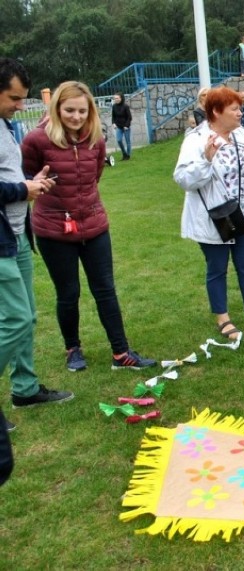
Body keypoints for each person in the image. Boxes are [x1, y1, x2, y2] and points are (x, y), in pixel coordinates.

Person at [21, 81, 156, 371]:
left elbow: (94, 177)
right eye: (69, 110)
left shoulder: (95, 138)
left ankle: (121, 353)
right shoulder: (36, 140)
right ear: (57, 108)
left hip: (94, 226)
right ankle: (73, 349)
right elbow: (28, 178)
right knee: (68, 293)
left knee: (105, 288)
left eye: (82, 111)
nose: (76, 117)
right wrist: (39, 186)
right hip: (54, 230)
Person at [174, 87, 244, 343]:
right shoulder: (196, 140)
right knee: (217, 268)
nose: (240, 112)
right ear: (216, 111)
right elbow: (183, 179)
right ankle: (222, 318)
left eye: (240, 107)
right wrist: (206, 160)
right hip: (216, 218)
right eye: (234, 109)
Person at [0, 58, 73, 417]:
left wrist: (34, 180)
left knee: (27, 316)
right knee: (15, 318)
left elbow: (11, 177)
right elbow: (9, 186)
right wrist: (20, 188)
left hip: (16, 236)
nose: (20, 105)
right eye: (14, 98)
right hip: (0, 243)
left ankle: (25, 389)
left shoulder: (5, 126)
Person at [111, 92, 132, 161]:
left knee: (127, 142)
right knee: (119, 140)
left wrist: (126, 125)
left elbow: (129, 117)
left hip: (126, 127)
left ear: (121, 98)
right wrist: (113, 123)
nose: (116, 99)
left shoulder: (125, 106)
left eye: (117, 98)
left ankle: (128, 155)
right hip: (119, 127)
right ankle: (124, 154)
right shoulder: (114, 106)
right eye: (115, 98)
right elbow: (113, 116)